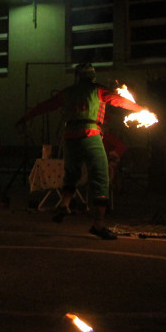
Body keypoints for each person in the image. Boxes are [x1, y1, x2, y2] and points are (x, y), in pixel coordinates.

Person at [15, 64, 145, 240]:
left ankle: (64, 204)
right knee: (100, 176)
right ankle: (98, 224)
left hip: (69, 138)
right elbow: (119, 101)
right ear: (93, 76)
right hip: (90, 134)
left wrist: (26, 117)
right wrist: (141, 109)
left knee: (72, 173)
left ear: (77, 76)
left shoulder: (67, 92)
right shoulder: (97, 90)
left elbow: (45, 106)